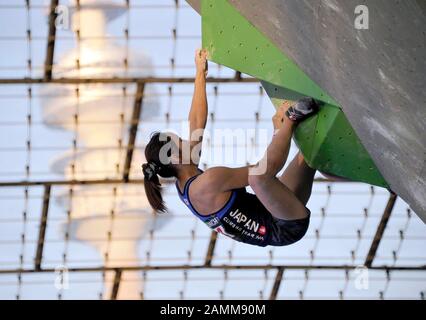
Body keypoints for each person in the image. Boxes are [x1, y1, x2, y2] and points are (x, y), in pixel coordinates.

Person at [142, 49, 319, 247]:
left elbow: (196, 122)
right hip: (285, 225)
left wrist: (200, 72)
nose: (188, 139)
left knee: (312, 154)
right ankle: (291, 119)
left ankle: (326, 161)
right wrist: (280, 128)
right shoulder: (207, 183)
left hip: (277, 205)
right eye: (181, 140)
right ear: (175, 158)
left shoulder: (185, 178)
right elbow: (265, 170)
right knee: (257, 177)